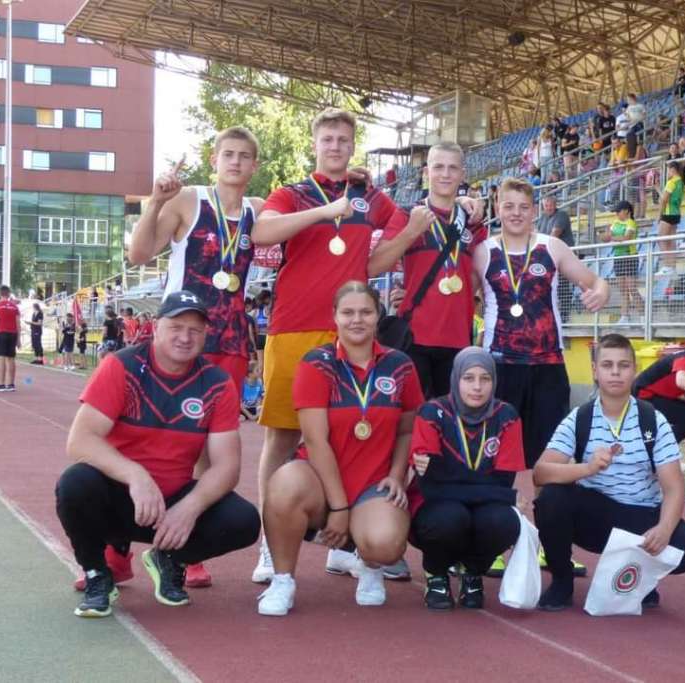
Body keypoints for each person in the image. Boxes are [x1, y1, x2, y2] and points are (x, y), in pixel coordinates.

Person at [251, 108, 407, 584]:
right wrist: (325, 212)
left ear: (352, 146)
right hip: (293, 328)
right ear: (315, 144)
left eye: (343, 139)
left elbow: (399, 227)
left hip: (349, 332)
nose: (335, 147)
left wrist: (379, 252)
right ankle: (270, 541)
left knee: (349, 435)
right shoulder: (292, 193)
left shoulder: (369, 196)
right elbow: (261, 232)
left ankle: (342, 543)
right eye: (328, 139)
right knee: (282, 437)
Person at [55, 291, 261, 618]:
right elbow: (80, 441)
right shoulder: (121, 366)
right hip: (122, 496)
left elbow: (227, 467)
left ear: (206, 334)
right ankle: (97, 573)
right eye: (176, 327)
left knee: (244, 521)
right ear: (156, 326)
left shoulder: (217, 383)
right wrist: (135, 476)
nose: (185, 337)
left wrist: (190, 507)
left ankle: (169, 557)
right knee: (74, 484)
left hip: (172, 503)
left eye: (195, 330)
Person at [129, 126, 266, 588]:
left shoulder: (258, 210)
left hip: (229, 342)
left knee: (213, 448)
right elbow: (138, 253)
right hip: (178, 340)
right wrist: (155, 203)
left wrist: (350, 191)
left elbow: (306, 222)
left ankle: (187, 552)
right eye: (228, 154)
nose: (235, 162)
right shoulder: (189, 200)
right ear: (214, 159)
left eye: (244, 156)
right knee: (153, 439)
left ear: (254, 165)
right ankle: (115, 546)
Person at [256, 282, 423, 616]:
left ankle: (370, 565)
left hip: (373, 482)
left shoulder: (400, 365)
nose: (356, 320)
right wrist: (339, 507)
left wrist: (396, 475)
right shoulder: (316, 364)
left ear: (378, 315)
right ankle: (283, 580)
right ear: (334, 316)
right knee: (285, 484)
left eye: (365, 312)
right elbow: (315, 441)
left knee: (386, 544)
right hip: (320, 480)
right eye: (348, 312)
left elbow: (407, 430)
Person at [533, 334, 685, 610]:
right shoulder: (579, 418)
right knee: (551, 497)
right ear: (595, 371)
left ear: (634, 370)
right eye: (607, 365)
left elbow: (674, 488)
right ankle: (562, 580)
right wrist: (587, 468)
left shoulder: (654, 420)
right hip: (595, 515)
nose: (615, 372)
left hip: (640, 517)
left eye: (623, 365)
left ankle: (642, 576)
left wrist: (664, 528)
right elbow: (540, 473)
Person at [474, 177, 610, 473]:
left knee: (549, 457)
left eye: (523, 207)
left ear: (534, 210)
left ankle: (543, 503)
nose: (516, 213)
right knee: (498, 456)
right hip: (501, 365)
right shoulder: (483, 251)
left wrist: (600, 292)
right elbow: (458, 295)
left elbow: (596, 281)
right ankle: (505, 503)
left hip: (547, 365)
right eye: (509, 206)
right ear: (497, 207)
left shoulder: (552, 247)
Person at [409, 347, 525, 610]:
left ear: (494, 381)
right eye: (468, 378)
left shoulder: (507, 416)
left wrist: (449, 476)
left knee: (504, 521)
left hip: (481, 506)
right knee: (448, 518)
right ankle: (436, 572)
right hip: (437, 508)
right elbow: (431, 489)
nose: (477, 387)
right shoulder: (431, 413)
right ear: (455, 378)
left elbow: (503, 482)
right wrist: (504, 495)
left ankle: (472, 570)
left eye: (485, 379)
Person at [376, 142, 486, 400]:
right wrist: (411, 232)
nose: (445, 174)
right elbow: (375, 265)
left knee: (450, 417)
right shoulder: (407, 214)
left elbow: (478, 276)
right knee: (412, 417)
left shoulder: (473, 222)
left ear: (462, 174)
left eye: (452, 168)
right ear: (427, 172)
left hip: (459, 338)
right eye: (438, 167)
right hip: (415, 337)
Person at [601, 200, 642, 324]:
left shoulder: (631, 223)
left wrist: (612, 238)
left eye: (619, 211)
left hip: (630, 256)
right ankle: (624, 316)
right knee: (623, 289)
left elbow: (626, 238)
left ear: (626, 211)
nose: (617, 214)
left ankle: (643, 315)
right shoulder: (615, 223)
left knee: (632, 288)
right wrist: (605, 235)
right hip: (618, 257)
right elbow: (606, 238)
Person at [654, 162, 684, 276]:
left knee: (661, 239)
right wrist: (658, 189)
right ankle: (672, 266)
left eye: (668, 170)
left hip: (668, 214)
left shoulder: (671, 182)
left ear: (673, 169)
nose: (667, 173)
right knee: (671, 241)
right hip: (676, 213)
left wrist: (659, 215)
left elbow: (664, 200)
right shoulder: (680, 182)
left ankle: (667, 265)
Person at [0, 285, 20, 392]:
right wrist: (18, 339)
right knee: (11, 359)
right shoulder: (15, 307)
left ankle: (1, 384)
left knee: (1, 358)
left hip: (1, 333)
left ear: (0, 294)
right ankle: (11, 384)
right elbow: (18, 323)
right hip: (13, 334)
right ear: (9, 294)